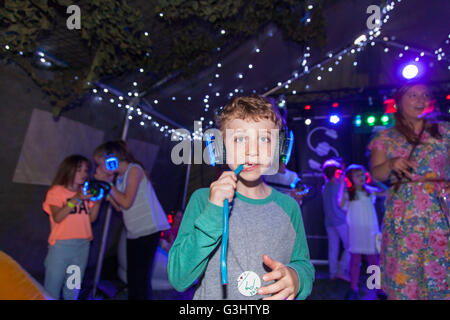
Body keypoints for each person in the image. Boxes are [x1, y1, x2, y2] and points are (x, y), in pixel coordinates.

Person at [168, 95, 315, 300]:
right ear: (220, 148)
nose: (252, 151)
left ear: (279, 148)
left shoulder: (289, 207)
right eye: (239, 139)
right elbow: (178, 277)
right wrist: (213, 213)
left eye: (264, 139)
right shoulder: (203, 201)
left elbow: (303, 264)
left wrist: (297, 278)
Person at [368, 83, 449, 300]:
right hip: (404, 215)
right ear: (398, 102)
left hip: (441, 213)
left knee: (440, 270)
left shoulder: (445, 132)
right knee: (406, 272)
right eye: (413, 95)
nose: (420, 99)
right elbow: (377, 173)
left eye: (425, 95)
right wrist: (392, 163)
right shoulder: (385, 137)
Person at [93, 141, 170, 300]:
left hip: (148, 229)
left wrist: (108, 185)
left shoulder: (134, 170)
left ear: (111, 159)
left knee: (139, 278)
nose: (99, 169)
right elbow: (120, 207)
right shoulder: (120, 177)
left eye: (100, 164)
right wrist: (107, 188)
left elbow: (126, 201)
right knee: (133, 277)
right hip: (135, 231)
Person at [42, 155, 101, 300]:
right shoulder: (56, 191)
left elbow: (91, 219)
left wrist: (98, 201)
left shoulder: (85, 192)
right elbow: (58, 217)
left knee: (72, 288)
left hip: (81, 246)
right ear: (68, 170)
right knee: (52, 288)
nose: (83, 174)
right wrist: (77, 199)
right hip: (61, 247)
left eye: (86, 170)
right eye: (78, 170)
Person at [338, 164, 387, 299]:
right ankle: (353, 289)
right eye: (357, 175)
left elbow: (385, 191)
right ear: (351, 178)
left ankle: (378, 288)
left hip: (370, 230)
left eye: (362, 174)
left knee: (373, 261)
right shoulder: (348, 194)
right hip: (356, 231)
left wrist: (374, 179)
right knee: (355, 260)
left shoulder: (369, 191)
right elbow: (340, 204)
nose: (361, 177)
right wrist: (343, 183)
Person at [321, 159, 351, 282]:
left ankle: (332, 273)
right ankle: (341, 271)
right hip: (340, 220)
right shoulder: (339, 185)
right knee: (350, 246)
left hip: (329, 222)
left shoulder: (325, 186)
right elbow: (342, 203)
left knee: (333, 248)